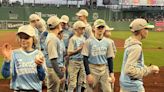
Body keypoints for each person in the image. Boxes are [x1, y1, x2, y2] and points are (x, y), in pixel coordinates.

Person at [1, 25, 46, 92]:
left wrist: (39, 66)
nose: (23, 40)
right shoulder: (14, 54)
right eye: (21, 37)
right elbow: (5, 75)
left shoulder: (38, 54)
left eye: (26, 37)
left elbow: (42, 77)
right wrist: (7, 60)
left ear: (33, 38)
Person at [119, 18, 160, 92]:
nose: (148, 31)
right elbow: (129, 70)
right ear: (141, 30)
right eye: (146, 29)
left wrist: (148, 68)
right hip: (133, 86)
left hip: (125, 84)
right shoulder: (136, 48)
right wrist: (149, 70)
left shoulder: (130, 43)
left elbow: (135, 64)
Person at [81, 19, 115, 92]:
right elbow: (85, 58)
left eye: (102, 27)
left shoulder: (108, 42)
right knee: (89, 90)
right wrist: (88, 74)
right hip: (92, 68)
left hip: (104, 68)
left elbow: (110, 58)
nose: (100, 29)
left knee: (107, 90)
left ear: (104, 28)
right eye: (98, 27)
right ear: (94, 28)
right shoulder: (88, 42)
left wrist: (111, 73)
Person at [45, 16, 65, 92]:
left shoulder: (53, 37)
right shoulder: (52, 38)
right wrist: (60, 75)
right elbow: (53, 59)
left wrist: (61, 66)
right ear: (57, 25)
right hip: (53, 70)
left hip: (55, 69)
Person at [67, 21, 86, 92]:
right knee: (72, 83)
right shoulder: (73, 39)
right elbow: (69, 53)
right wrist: (79, 49)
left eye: (83, 28)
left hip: (82, 61)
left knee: (80, 82)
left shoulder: (84, 38)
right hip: (74, 62)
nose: (83, 30)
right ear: (76, 29)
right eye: (81, 28)